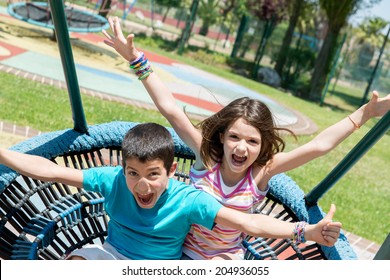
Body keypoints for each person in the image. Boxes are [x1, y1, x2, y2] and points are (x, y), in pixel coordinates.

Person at [102, 16, 390, 260]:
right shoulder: (207, 157)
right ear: (222, 137)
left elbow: (319, 146)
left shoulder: (262, 172)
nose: (241, 147)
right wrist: (136, 60)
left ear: (263, 145)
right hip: (182, 254)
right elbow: (171, 110)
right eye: (235, 137)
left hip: (226, 259)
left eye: (252, 142)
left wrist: (363, 114)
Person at [0, 122, 340, 260]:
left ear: (172, 170)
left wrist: (306, 231)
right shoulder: (112, 179)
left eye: (152, 175)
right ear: (123, 168)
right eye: (133, 173)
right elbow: (49, 169)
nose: (142, 185)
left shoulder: (187, 199)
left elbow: (248, 223)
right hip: (111, 256)